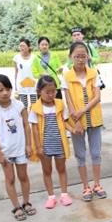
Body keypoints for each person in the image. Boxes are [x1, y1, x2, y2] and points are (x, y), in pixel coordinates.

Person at [0, 74, 36, 220]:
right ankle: (16, 206)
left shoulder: (19, 105)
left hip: (20, 149)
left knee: (23, 176)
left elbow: (27, 125)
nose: (5, 93)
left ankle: (26, 203)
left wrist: (28, 144)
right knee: (10, 179)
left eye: (8, 89)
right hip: (5, 152)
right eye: (0, 90)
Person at [62, 42, 106, 201]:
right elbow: (69, 101)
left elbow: (97, 97)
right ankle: (86, 187)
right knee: (80, 155)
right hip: (76, 122)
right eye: (77, 56)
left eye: (83, 56)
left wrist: (82, 111)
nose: (80, 59)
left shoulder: (94, 73)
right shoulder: (66, 76)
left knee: (95, 153)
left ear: (88, 56)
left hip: (94, 119)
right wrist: (77, 119)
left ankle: (97, 184)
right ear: (70, 57)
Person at [29, 75, 73, 209]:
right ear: (38, 92)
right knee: (47, 171)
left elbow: (65, 122)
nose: (50, 94)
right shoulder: (35, 108)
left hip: (59, 143)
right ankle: (51, 197)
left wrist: (73, 129)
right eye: (47, 92)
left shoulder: (60, 104)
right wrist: (38, 147)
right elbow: (35, 129)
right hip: (44, 146)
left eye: (53, 91)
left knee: (61, 169)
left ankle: (64, 194)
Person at [13, 38, 37, 109]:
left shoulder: (34, 57)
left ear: (29, 47)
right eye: (20, 46)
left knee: (34, 106)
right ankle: (25, 120)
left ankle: (33, 120)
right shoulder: (16, 58)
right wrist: (16, 87)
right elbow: (16, 72)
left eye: (23, 46)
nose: (21, 48)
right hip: (21, 85)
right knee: (23, 106)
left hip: (33, 86)